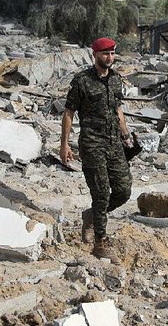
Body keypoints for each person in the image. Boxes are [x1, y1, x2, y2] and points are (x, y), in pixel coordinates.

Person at [60, 37, 133, 264]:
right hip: (92, 144)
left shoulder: (116, 80)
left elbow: (118, 108)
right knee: (101, 193)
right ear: (95, 55)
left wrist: (126, 134)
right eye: (105, 54)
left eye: (112, 53)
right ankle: (100, 243)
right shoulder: (82, 81)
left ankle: (91, 216)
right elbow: (68, 113)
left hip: (114, 143)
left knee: (123, 190)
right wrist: (64, 145)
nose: (109, 58)